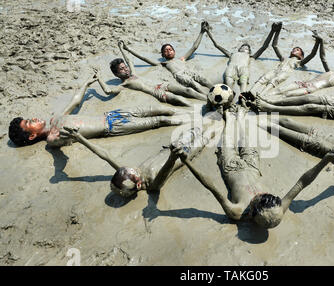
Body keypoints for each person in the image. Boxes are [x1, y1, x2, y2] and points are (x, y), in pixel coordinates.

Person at [172, 104, 334, 228]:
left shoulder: (237, 212)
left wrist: (186, 160)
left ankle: (228, 116)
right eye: (266, 195)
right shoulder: (279, 208)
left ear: (252, 212)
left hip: (232, 167)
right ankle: (239, 113)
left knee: (228, 138)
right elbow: (302, 183)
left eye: (258, 199)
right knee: (244, 137)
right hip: (253, 166)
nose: (260, 194)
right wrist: (325, 160)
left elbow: (210, 185)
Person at [8, 73, 192, 148]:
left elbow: (74, 102)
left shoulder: (56, 119)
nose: (33, 118)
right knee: (158, 121)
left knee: (156, 109)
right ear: (32, 136)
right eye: (29, 123)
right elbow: (56, 145)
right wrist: (55, 137)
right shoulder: (52, 138)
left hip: (112, 114)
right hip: (114, 127)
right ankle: (193, 121)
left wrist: (86, 85)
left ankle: (192, 110)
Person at [60, 117, 222, 197]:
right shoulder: (152, 183)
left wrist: (80, 138)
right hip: (182, 153)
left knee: (196, 128)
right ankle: (223, 121)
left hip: (172, 148)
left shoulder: (129, 175)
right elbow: (166, 170)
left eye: (131, 168)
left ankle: (212, 117)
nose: (135, 168)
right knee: (208, 134)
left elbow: (106, 155)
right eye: (135, 171)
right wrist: (173, 156)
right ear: (138, 185)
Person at [95, 41, 205, 107]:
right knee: (178, 99)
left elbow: (129, 61)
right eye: (122, 69)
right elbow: (108, 91)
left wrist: (122, 48)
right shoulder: (123, 85)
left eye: (125, 67)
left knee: (188, 91)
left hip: (162, 84)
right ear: (116, 74)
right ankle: (201, 108)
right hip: (156, 92)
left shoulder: (133, 73)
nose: (126, 70)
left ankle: (207, 99)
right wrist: (98, 78)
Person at [265, 34, 334, 98]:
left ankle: (264, 103)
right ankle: (263, 96)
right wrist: (321, 42)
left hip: (311, 89)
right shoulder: (329, 71)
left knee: (287, 95)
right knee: (279, 90)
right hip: (303, 83)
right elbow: (323, 58)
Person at [122, 21, 214, 94]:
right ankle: (208, 98)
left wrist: (201, 32)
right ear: (163, 55)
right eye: (166, 51)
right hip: (180, 75)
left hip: (189, 71)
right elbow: (144, 58)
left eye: (170, 49)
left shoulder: (182, 59)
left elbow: (194, 47)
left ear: (174, 51)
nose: (168, 51)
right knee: (194, 84)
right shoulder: (163, 63)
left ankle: (216, 90)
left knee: (204, 79)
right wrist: (128, 49)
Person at [247, 23, 322, 97]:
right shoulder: (284, 59)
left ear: (301, 56)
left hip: (285, 73)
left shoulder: (299, 62)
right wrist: (277, 30)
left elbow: (312, 54)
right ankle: (250, 92)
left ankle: (261, 95)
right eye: (293, 49)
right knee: (263, 78)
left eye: (297, 50)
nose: (294, 50)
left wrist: (317, 42)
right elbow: (274, 46)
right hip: (275, 70)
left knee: (274, 81)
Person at [204, 21, 279, 92]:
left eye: (247, 48)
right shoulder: (232, 54)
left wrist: (272, 31)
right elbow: (217, 45)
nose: (244, 48)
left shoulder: (251, 57)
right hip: (231, 67)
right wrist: (207, 31)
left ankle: (242, 97)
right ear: (239, 49)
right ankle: (228, 96)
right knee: (228, 83)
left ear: (249, 52)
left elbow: (264, 47)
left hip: (243, 69)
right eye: (243, 47)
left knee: (243, 83)